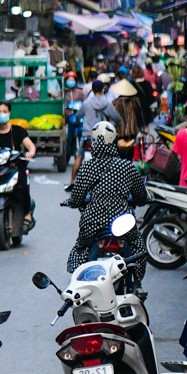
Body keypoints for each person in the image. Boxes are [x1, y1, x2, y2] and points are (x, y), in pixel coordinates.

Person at [65, 122, 146, 270]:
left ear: (93, 143)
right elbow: (141, 197)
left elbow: (76, 199)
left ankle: (81, 280)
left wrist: (71, 202)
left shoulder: (87, 167)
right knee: (137, 245)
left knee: (82, 248)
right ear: (114, 142)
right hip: (123, 219)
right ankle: (136, 284)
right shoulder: (127, 166)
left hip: (92, 221)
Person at [0, 102, 37, 232]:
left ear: (9, 113)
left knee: (22, 187)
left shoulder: (18, 131)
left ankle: (27, 214)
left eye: (4, 111)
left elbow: (30, 146)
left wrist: (30, 152)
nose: (1, 114)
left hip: (15, 168)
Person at [71, 77, 118, 184]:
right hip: (104, 137)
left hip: (88, 136)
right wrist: (112, 125)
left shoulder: (86, 103)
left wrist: (78, 122)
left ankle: (72, 181)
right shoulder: (107, 103)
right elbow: (117, 119)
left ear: (92, 89)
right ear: (102, 90)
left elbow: (78, 116)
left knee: (79, 157)